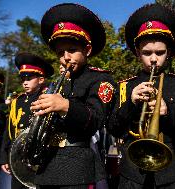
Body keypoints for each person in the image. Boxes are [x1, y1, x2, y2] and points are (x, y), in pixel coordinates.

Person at [108, 3, 175, 189]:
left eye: (160, 52)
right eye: (147, 53)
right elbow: (114, 128)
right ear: (138, 53)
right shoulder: (126, 86)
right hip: (132, 175)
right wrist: (131, 103)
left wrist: (167, 111)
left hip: (171, 175)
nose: (154, 59)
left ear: (169, 53)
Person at [29, 3, 115, 188]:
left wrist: (65, 106)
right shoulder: (57, 83)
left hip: (76, 168)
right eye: (60, 52)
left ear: (87, 50)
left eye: (72, 50)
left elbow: (96, 120)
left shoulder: (100, 79)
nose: (65, 57)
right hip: (46, 165)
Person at [0, 52, 54, 189]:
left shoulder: (48, 99)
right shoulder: (17, 102)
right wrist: (5, 158)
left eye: (29, 78)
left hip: (41, 160)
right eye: (22, 78)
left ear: (41, 79)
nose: (25, 82)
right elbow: (8, 132)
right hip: (19, 158)